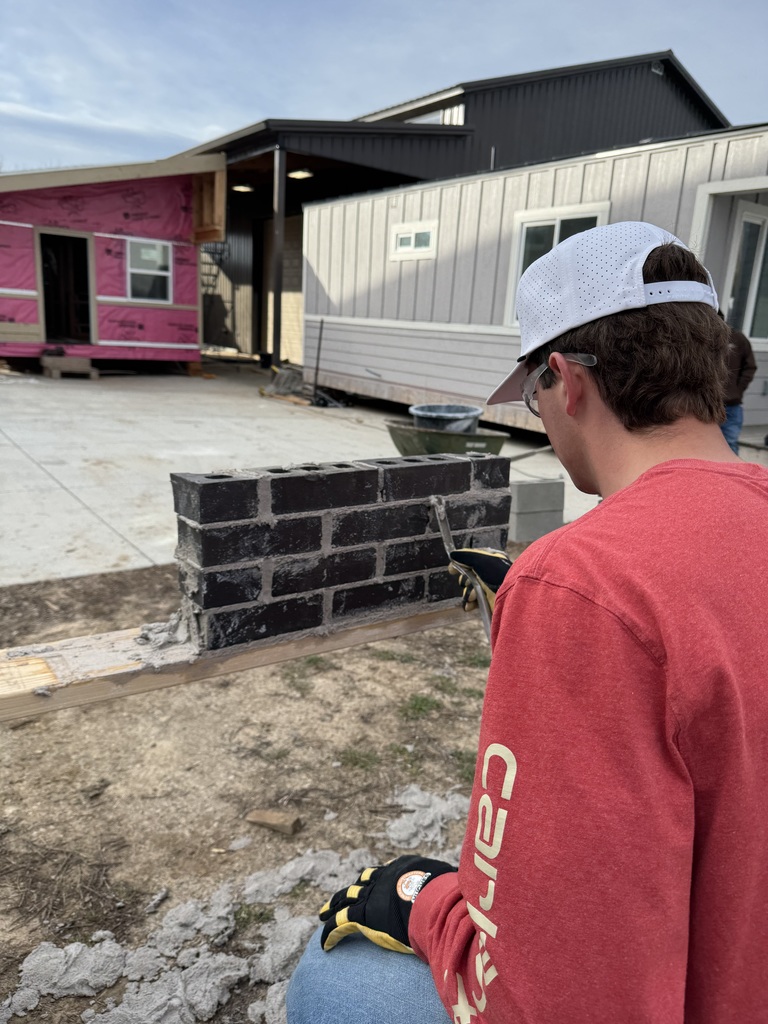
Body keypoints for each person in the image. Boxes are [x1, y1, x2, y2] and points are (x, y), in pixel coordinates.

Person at [285, 222, 768, 1024]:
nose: (542, 414)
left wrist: (420, 901)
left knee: (336, 982)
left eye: (535, 396)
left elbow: (560, 993)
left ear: (563, 379)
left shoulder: (586, 583)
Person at [718, 311, 756, 454]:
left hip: (731, 405)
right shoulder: (702, 340)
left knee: (730, 444)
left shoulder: (738, 339)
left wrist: (737, 390)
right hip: (704, 406)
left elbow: (750, 367)